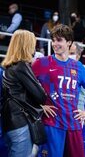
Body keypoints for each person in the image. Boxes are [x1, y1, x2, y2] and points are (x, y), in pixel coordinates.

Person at [32, 24, 85, 157]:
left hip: (73, 125)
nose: (55, 44)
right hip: (52, 124)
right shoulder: (42, 63)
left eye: (59, 40)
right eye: (54, 40)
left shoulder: (78, 66)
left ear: (69, 42)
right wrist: (39, 106)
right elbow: (24, 88)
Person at [1, 29, 54, 157]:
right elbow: (41, 96)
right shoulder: (22, 66)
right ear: (26, 45)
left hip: (12, 122)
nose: (34, 48)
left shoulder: (9, 67)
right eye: (33, 44)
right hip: (20, 123)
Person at [69, 41, 85, 111]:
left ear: (78, 55)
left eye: (72, 53)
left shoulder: (83, 69)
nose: (69, 56)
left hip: (78, 109)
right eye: (67, 53)